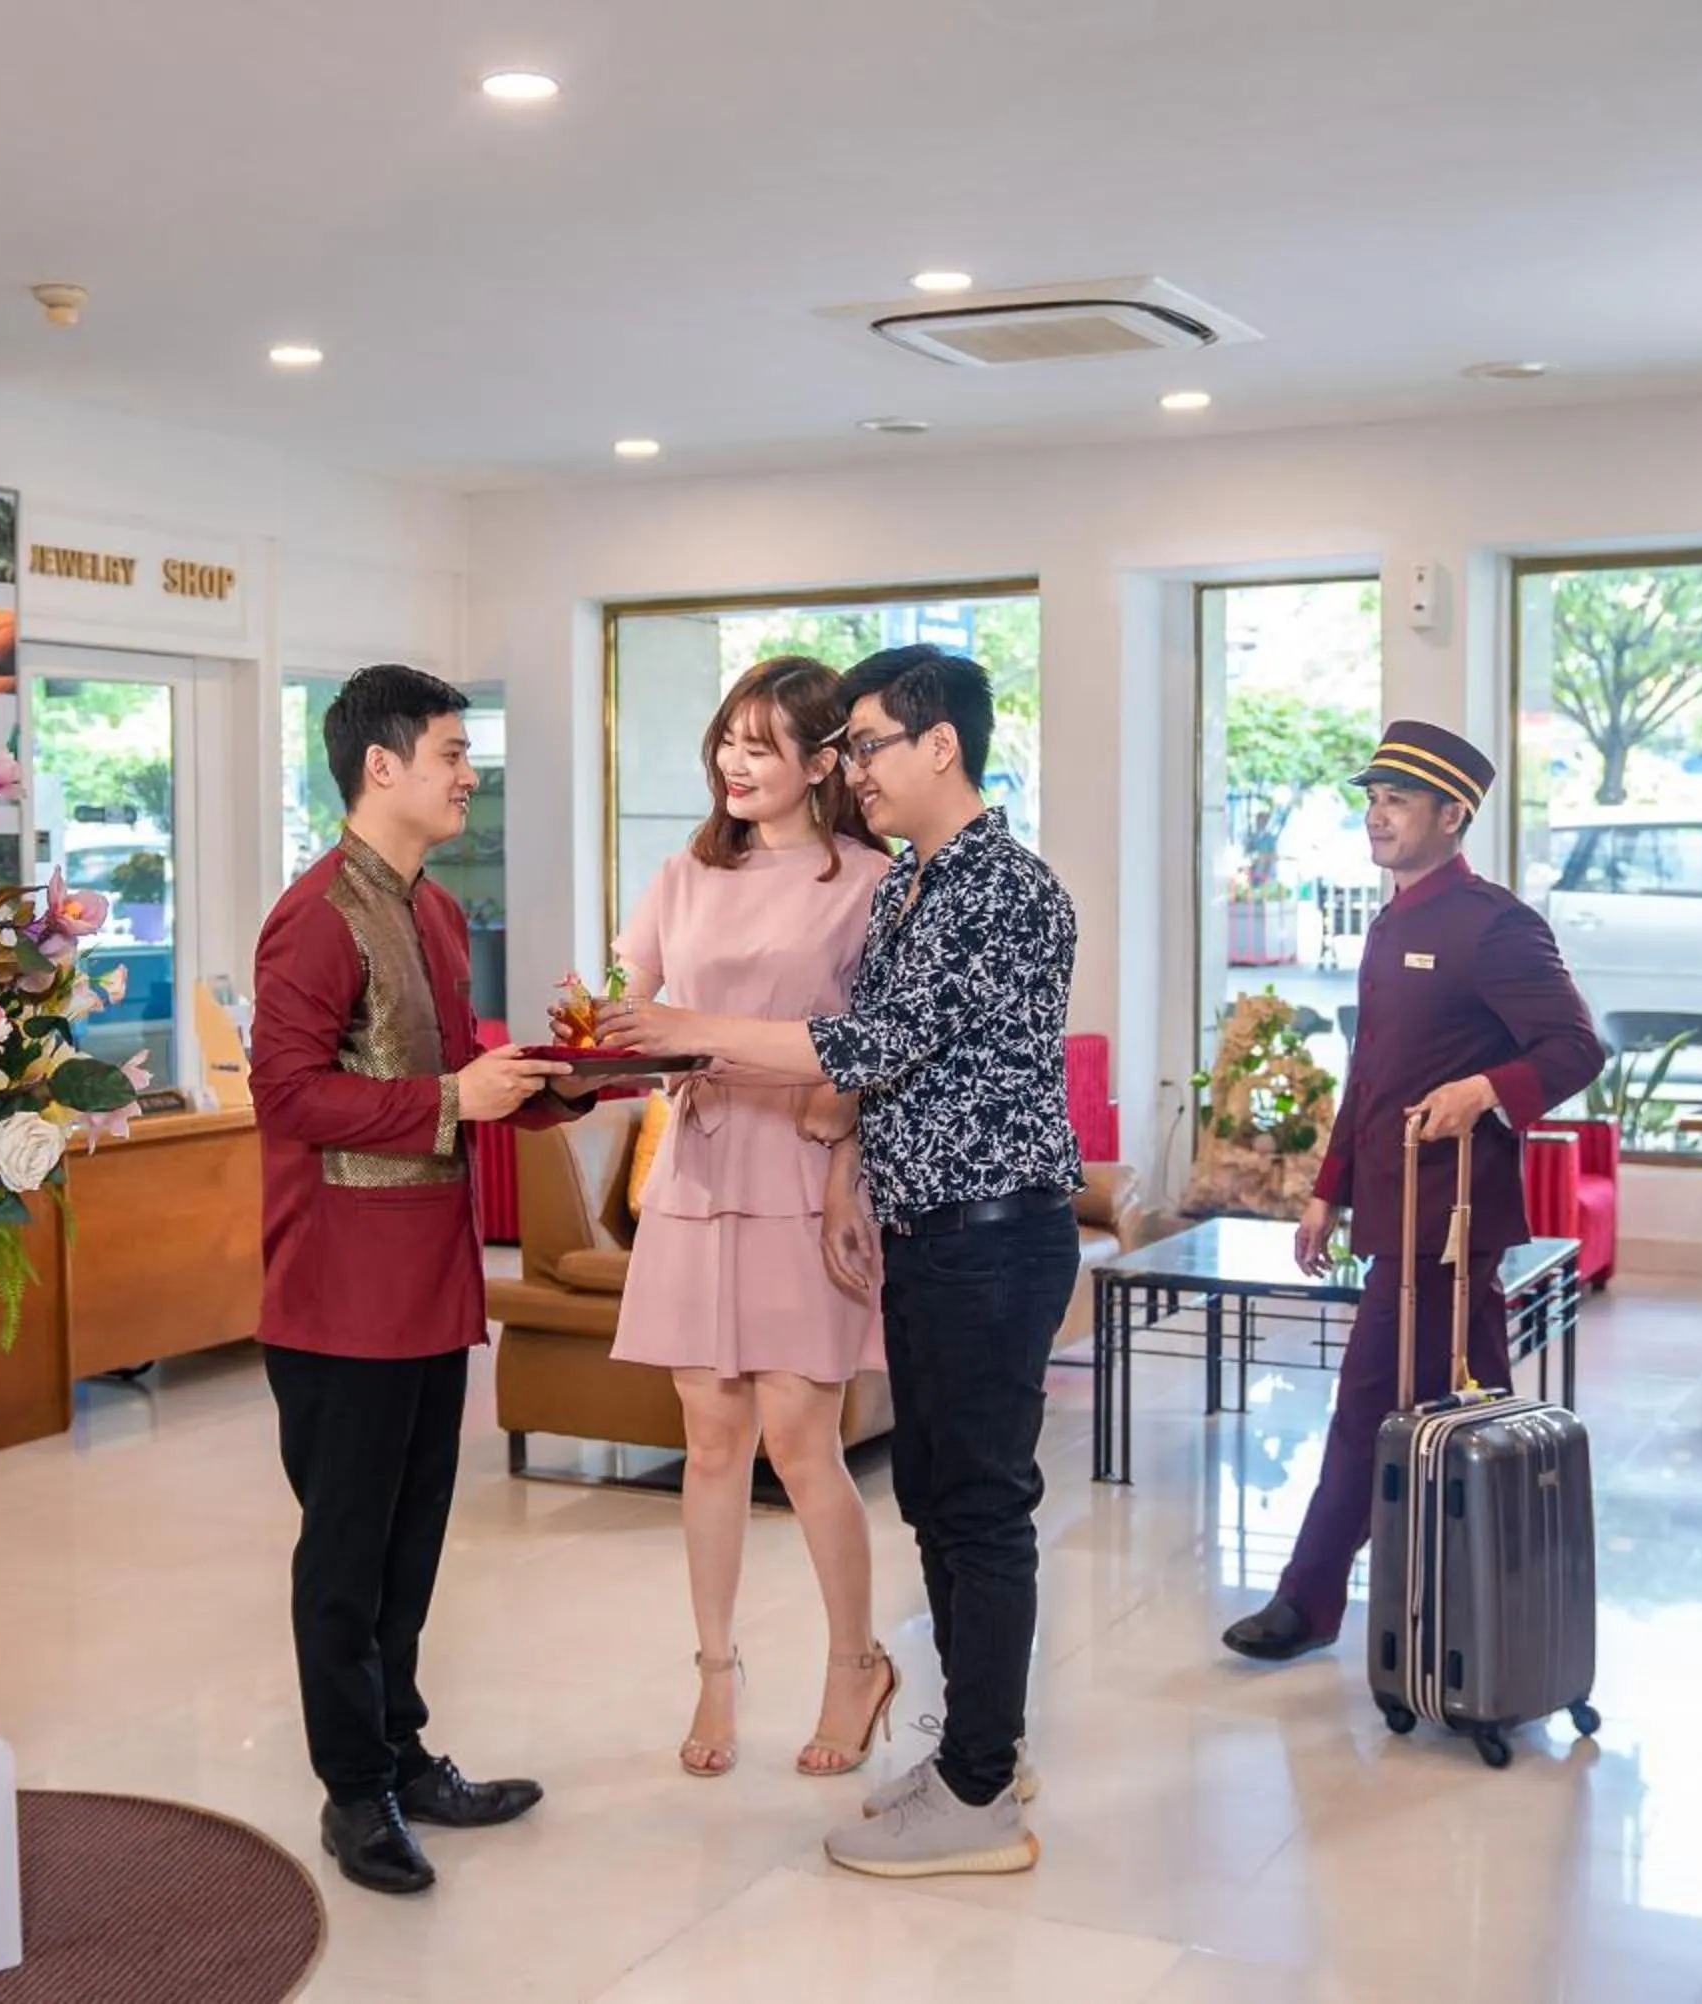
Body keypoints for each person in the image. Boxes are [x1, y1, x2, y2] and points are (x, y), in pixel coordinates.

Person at [605, 644, 1080, 1881]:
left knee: (979, 1512)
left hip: (988, 1230)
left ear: (940, 745)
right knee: (938, 1500)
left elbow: (870, 1044)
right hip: (929, 1227)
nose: (851, 768)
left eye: (864, 745)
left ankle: (979, 1792)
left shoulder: (996, 889)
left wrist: (697, 1034)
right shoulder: (926, 881)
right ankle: (975, 1756)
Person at [251, 664, 589, 1897]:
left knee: (413, 1546)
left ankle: (401, 1754)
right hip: (340, 1299)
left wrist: (561, 1083)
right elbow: (287, 1096)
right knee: (345, 1562)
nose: (468, 774)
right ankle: (354, 1792)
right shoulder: (315, 916)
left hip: (432, 1288)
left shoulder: (434, 910)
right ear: (380, 766)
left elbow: (457, 1077)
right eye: (452, 752)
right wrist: (457, 1094)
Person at [1221, 721, 1603, 1665]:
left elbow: (1575, 1049)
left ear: (1453, 814)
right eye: (1372, 799)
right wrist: (1328, 1190)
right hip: (1395, 1212)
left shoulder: (1495, 926)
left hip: (1450, 1216)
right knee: (1476, 1407)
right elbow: (1373, 1074)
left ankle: (1310, 1601)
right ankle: (1505, 1599)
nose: (1377, 816)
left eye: (1397, 801)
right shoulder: (1391, 921)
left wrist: (1486, 1091)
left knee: (1371, 1407)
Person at [608, 656, 898, 1783]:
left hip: (804, 1170)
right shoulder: (684, 871)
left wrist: (843, 1165)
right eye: (728, 739)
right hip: (700, 1170)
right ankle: (716, 1670)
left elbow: (879, 1052)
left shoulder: (870, 881)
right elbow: (628, 1006)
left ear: (822, 763)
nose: (736, 762)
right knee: (711, 1438)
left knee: (799, 1441)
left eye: (762, 745)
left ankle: (854, 1664)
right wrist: (621, 1043)